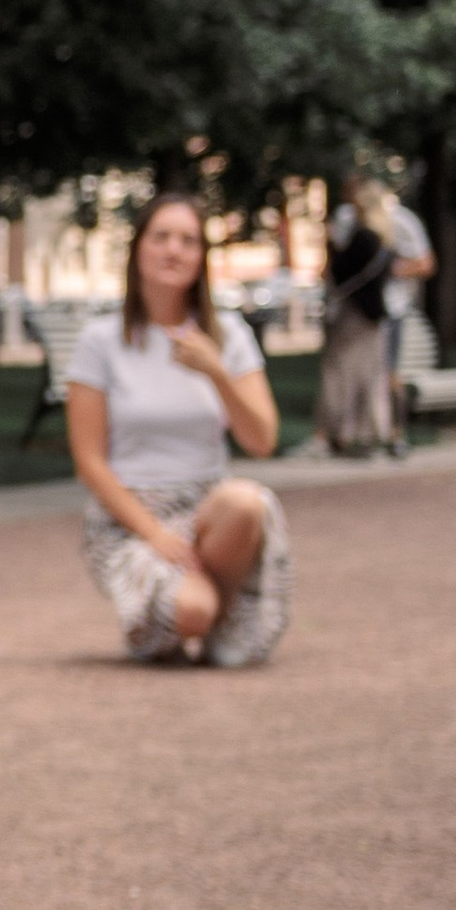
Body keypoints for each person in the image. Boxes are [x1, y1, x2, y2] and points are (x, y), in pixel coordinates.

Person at [64, 190, 290, 667]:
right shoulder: (101, 341)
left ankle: (209, 613)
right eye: (161, 237)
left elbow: (262, 440)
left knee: (247, 501)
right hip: (129, 516)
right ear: (138, 249)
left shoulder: (226, 335)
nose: (173, 250)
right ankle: (205, 613)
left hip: (206, 507)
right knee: (190, 612)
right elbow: (89, 460)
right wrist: (154, 534)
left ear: (201, 257)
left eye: (188, 241)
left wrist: (216, 372)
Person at [324, 173, 435, 453]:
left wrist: (391, 271)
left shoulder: (397, 222)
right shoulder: (351, 220)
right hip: (376, 310)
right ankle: (371, 434)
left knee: (379, 374)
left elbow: (426, 263)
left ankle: (390, 434)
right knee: (371, 374)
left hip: (386, 309)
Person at [319, 182, 399, 455]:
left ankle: (340, 432)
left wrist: (330, 244)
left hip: (354, 316)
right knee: (371, 376)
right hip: (375, 317)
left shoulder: (363, 237)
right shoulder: (385, 240)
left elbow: (340, 273)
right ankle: (373, 433)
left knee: (341, 373)